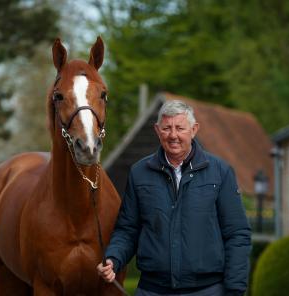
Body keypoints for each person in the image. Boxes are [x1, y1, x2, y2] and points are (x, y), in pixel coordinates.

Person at [97, 100, 251, 296]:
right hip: (152, 290)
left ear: (194, 130)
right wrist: (113, 259)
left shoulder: (220, 172)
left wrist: (235, 290)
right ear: (157, 130)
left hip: (208, 290)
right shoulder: (139, 173)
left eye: (180, 128)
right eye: (167, 128)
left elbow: (237, 234)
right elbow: (128, 230)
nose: (173, 135)